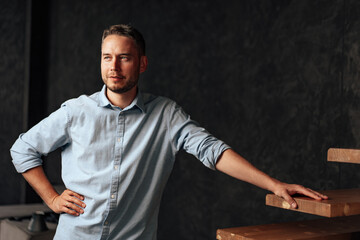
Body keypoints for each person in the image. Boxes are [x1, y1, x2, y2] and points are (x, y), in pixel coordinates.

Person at [10, 24, 327, 240]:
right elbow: (22, 149)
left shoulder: (166, 115)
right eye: (107, 57)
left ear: (142, 63)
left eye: (124, 57)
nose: (114, 66)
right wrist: (51, 198)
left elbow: (212, 151)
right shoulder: (76, 111)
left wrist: (273, 184)